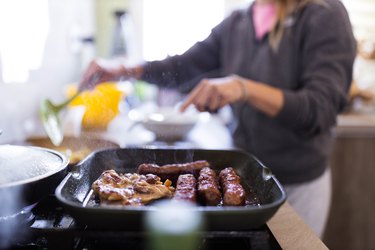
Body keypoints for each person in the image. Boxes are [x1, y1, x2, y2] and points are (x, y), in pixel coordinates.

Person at [79, 0, 356, 238]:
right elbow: (182, 67)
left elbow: (321, 109)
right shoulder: (241, 20)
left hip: (297, 185)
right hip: (246, 176)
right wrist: (121, 70)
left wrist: (242, 87)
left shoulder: (324, 13)